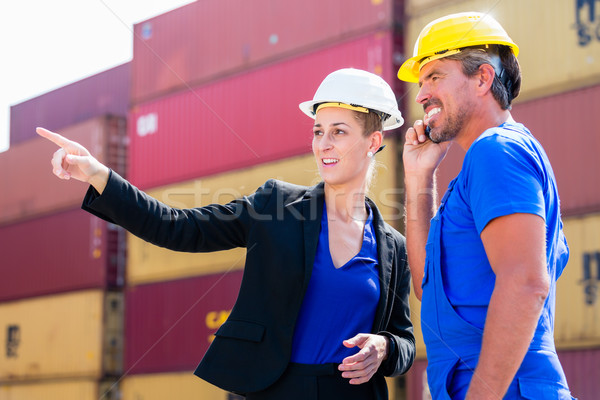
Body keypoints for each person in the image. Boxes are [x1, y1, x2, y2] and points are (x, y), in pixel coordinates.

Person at [37, 68, 415, 399]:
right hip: (274, 391)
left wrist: (383, 347)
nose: (323, 144)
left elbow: (405, 341)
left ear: (373, 142)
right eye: (318, 131)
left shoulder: (393, 248)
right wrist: (98, 175)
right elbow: (176, 227)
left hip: (352, 396)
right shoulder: (275, 206)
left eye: (339, 132)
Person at [399, 12, 574, 399]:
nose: (422, 93)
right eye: (421, 81)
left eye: (435, 76)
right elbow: (428, 287)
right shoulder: (480, 164)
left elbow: (525, 284)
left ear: (482, 78)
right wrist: (418, 178)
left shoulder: (496, 152)